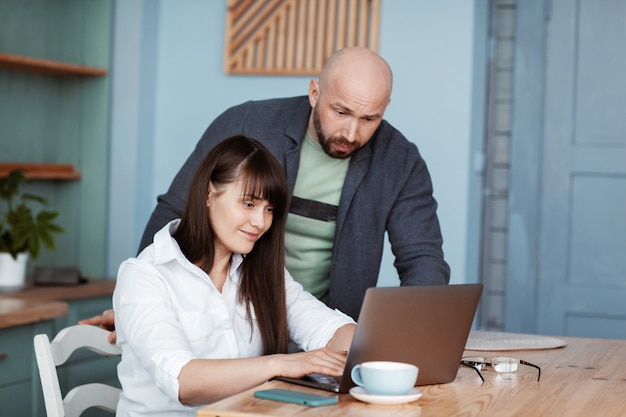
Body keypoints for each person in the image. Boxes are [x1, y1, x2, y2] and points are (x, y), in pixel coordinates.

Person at [83, 46, 450, 340]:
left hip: (325, 328)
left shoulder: (401, 161)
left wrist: (408, 335)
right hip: (237, 326)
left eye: (369, 119)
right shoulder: (247, 125)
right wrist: (137, 302)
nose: (352, 133)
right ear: (314, 92)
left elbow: (423, 260)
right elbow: (178, 208)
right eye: (341, 112)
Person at [113, 135, 355, 416]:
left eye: (269, 210)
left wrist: (366, 344)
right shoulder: (144, 276)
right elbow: (183, 381)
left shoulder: (261, 271)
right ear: (208, 194)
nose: (261, 222)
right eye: (249, 204)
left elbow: (324, 328)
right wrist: (283, 364)